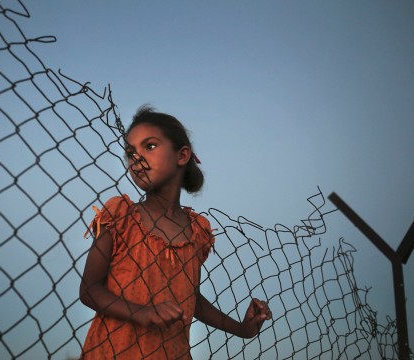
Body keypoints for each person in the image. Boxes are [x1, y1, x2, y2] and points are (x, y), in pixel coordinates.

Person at [79, 105, 272, 359]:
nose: (136, 158)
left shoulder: (197, 231)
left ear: (181, 156)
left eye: (149, 146)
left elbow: (189, 297)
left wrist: (241, 329)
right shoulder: (120, 217)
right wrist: (143, 312)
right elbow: (90, 289)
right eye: (130, 152)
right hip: (114, 351)